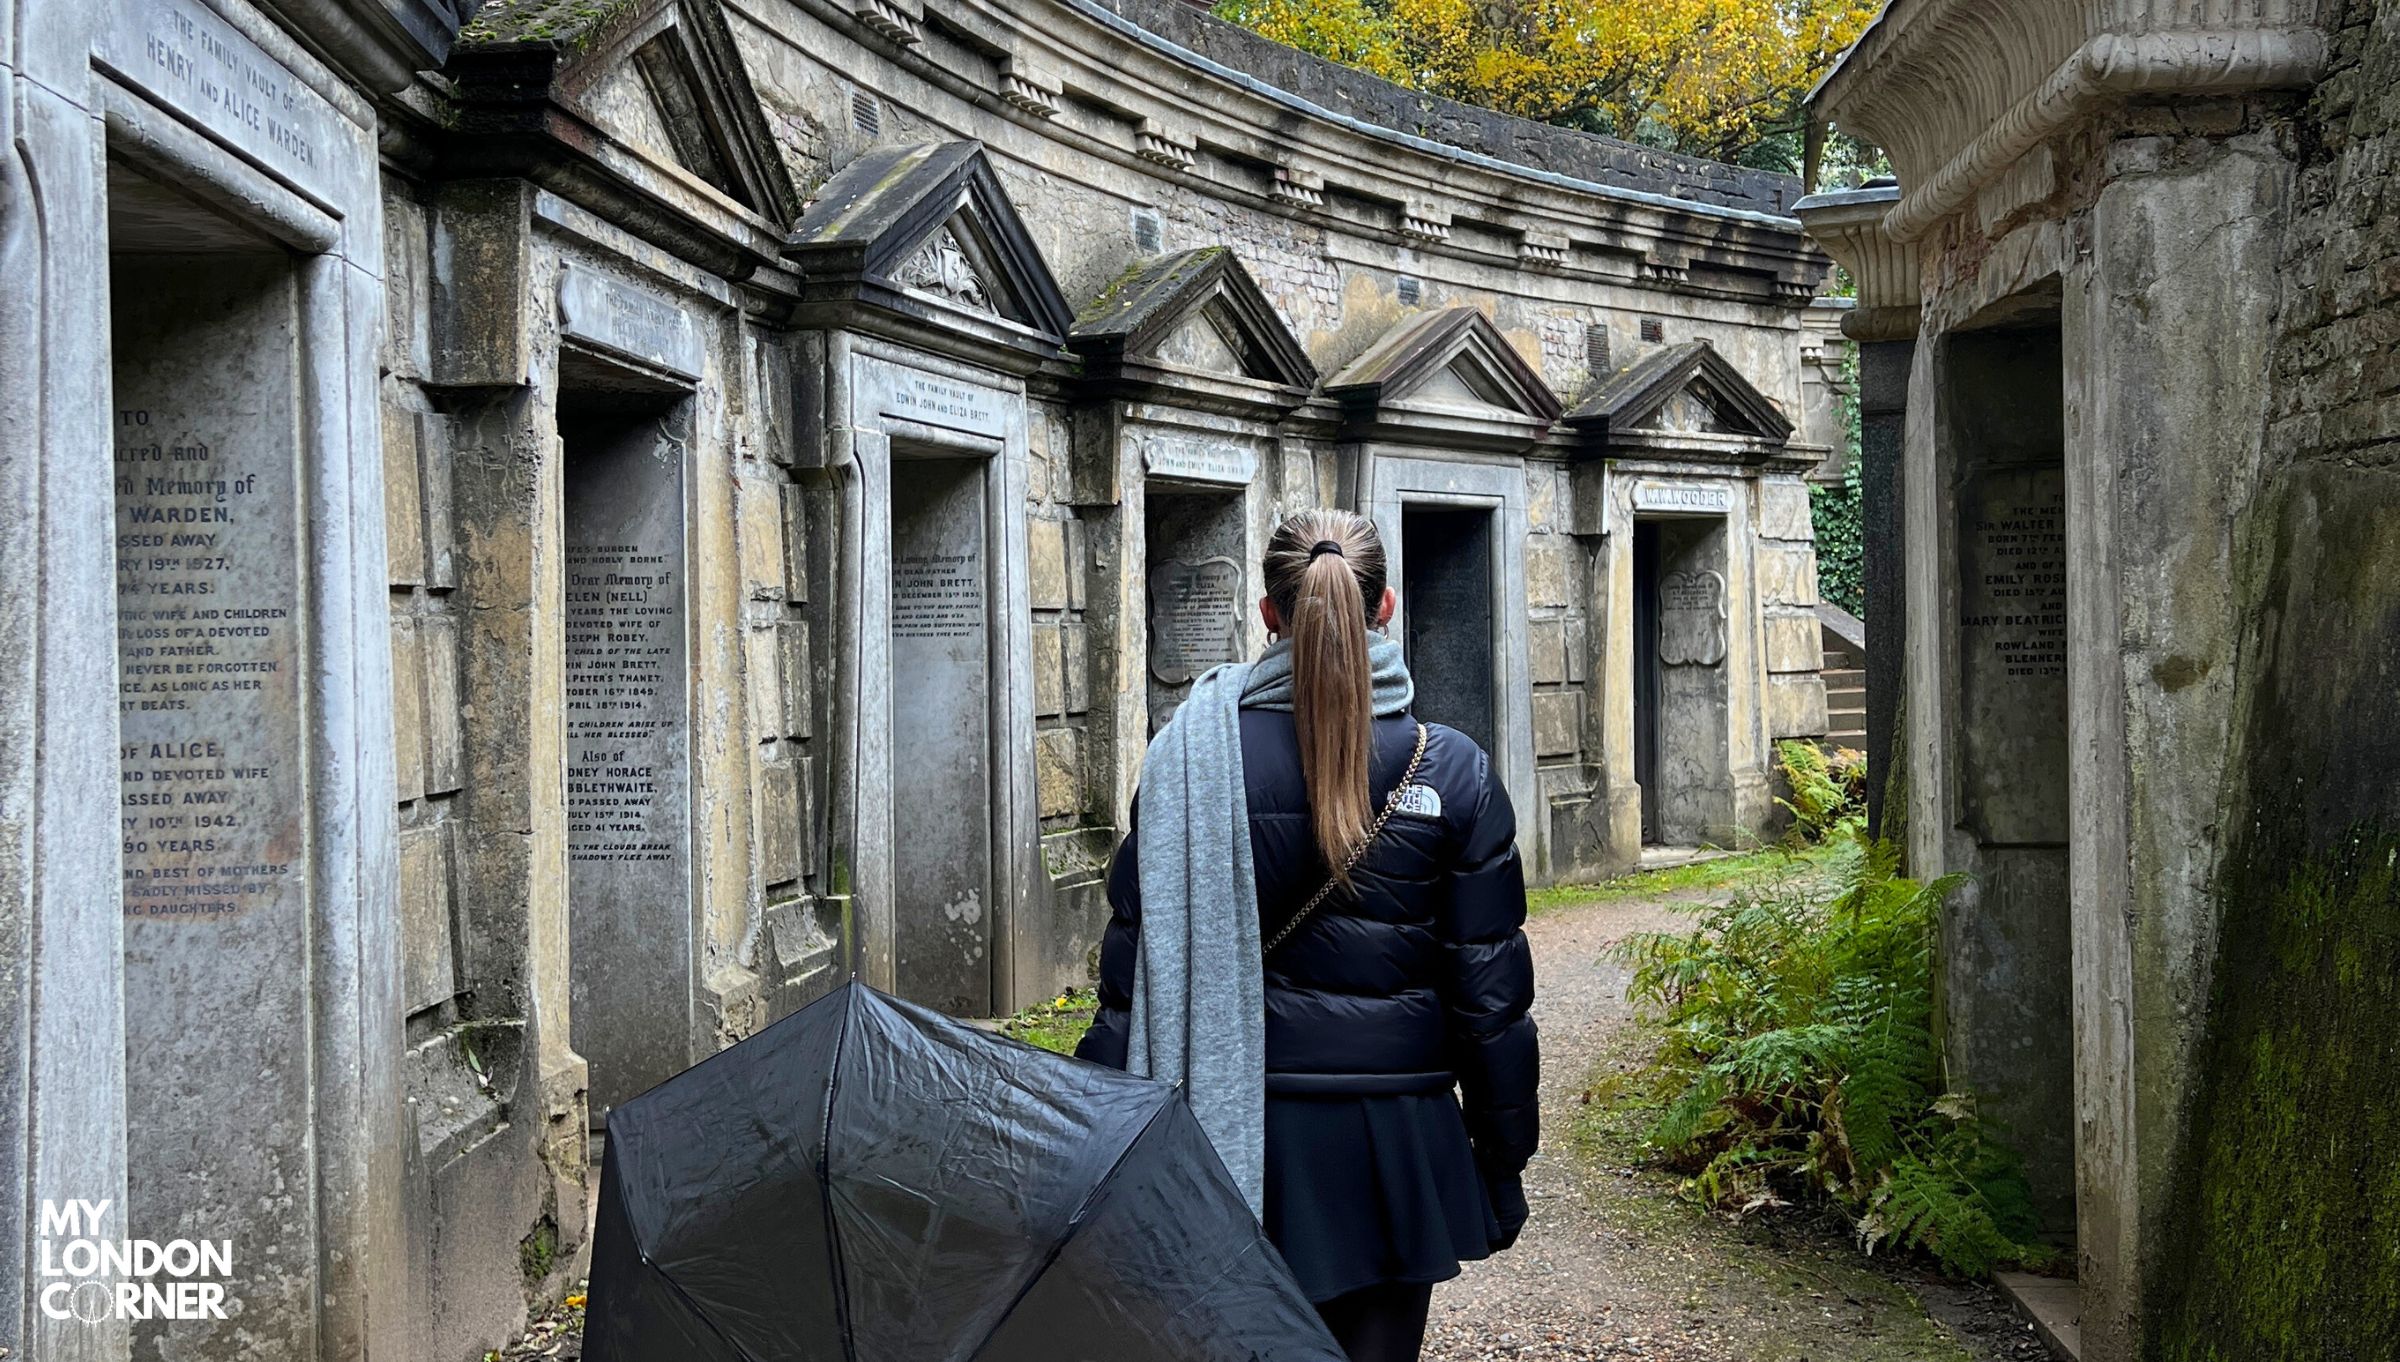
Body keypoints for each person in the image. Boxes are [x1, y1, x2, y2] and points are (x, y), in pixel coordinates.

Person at [1077, 509, 1539, 1362]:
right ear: (1385, 606)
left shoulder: (1187, 759)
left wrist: (1093, 1138)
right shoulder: (1454, 770)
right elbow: (1490, 998)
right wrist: (1504, 1154)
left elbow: (1133, 983)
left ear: (1268, 613)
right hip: (1396, 1141)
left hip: (1230, 1132)